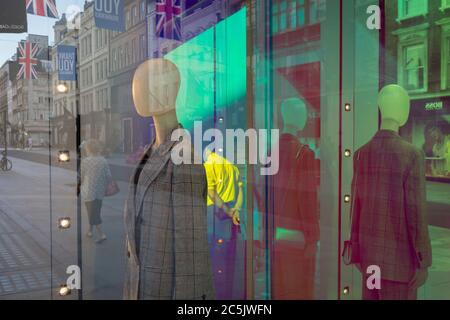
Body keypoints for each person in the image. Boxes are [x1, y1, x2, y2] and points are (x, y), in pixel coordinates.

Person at [350, 85, 432, 300]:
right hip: (399, 263)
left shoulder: (362, 154)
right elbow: (416, 215)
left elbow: (355, 208)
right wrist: (422, 262)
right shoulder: (412, 155)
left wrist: (356, 250)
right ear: (403, 110)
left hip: (369, 260)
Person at [204, 148, 243, 299]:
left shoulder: (209, 164)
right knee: (229, 258)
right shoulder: (230, 165)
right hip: (231, 217)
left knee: (215, 260)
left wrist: (226, 210)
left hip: (215, 216)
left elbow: (211, 192)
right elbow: (241, 190)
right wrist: (235, 210)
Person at [80, 139, 110, 243]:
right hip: (100, 191)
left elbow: (82, 176)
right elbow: (108, 176)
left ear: (88, 149)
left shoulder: (85, 161)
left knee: (93, 213)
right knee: (95, 211)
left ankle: (102, 234)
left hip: (88, 191)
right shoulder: (104, 161)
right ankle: (90, 230)